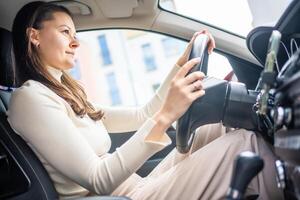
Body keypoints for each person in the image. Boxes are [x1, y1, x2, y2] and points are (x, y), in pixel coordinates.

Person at [7, 1, 282, 200]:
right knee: (246, 147)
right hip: (120, 197)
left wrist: (181, 63)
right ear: (34, 36)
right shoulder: (29, 99)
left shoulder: (66, 91)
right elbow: (98, 180)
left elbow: (142, 114)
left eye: (75, 33)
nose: (76, 42)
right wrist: (165, 118)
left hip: (135, 187)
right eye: (65, 32)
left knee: (220, 125)